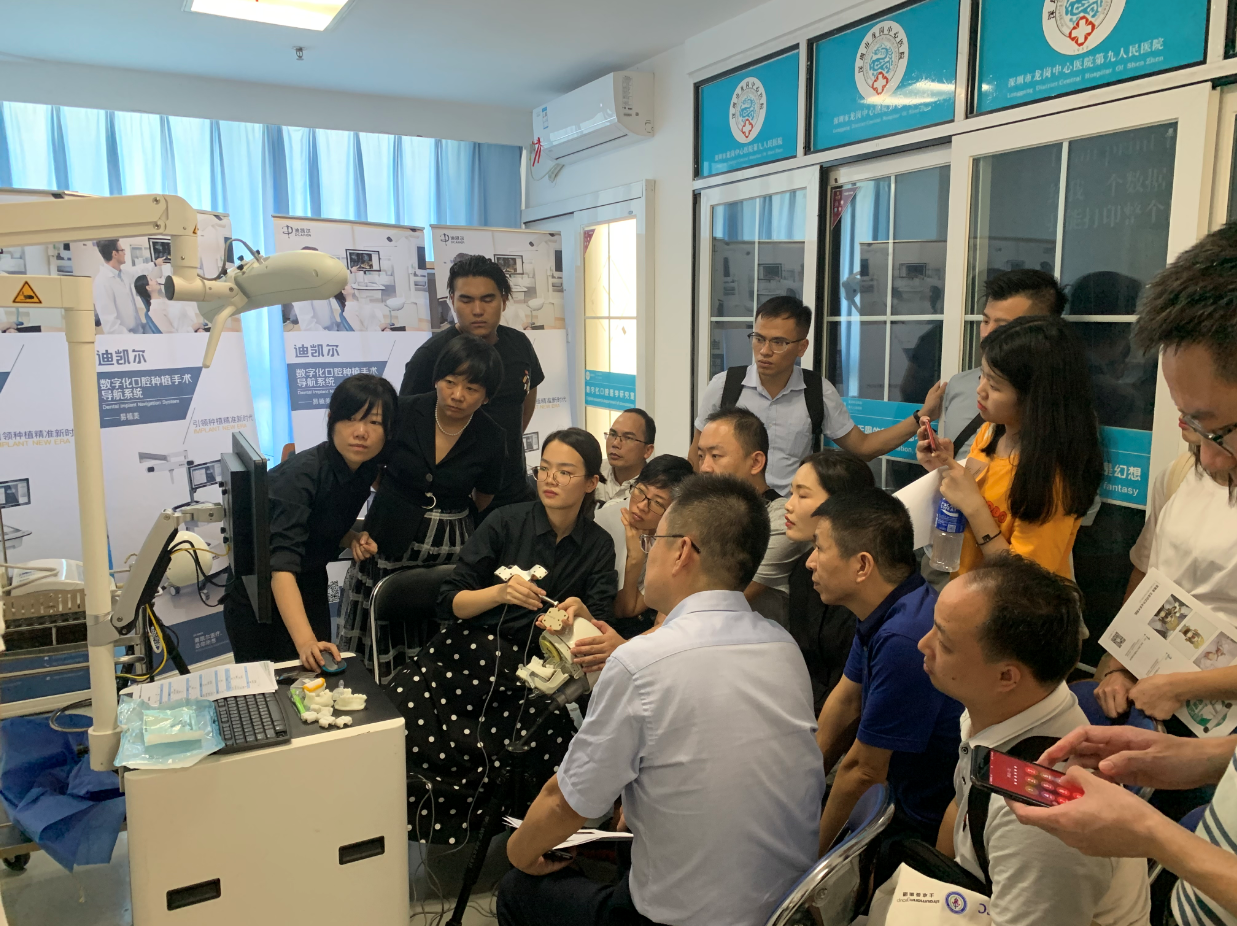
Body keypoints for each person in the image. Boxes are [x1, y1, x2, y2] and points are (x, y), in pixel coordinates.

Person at [1009, 223, 1237, 926]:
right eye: (1188, 426)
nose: (1207, 457)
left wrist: (1150, 835)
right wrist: (1192, 761)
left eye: (1216, 429)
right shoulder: (1189, 474)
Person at [497, 475, 824, 926]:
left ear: (682, 551)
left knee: (518, 889)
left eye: (654, 541)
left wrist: (519, 853)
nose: (649, 552)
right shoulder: (782, 646)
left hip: (687, 919)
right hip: (785, 908)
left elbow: (565, 802)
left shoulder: (641, 663)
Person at [391, 428, 617, 845]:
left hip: (535, 677)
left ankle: (518, 844)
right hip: (463, 659)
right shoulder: (505, 521)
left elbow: (599, 627)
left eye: (565, 472)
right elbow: (449, 601)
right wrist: (498, 593)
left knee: (544, 737)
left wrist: (581, 614)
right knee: (398, 720)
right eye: (544, 469)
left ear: (590, 483)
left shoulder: (598, 545)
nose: (550, 479)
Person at [910, 555, 1151, 926]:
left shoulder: (1040, 821)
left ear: (1007, 677)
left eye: (944, 642)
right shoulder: (1002, 709)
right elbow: (961, 807)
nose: (923, 644)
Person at [335, 335, 508, 680]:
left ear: (487, 396)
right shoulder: (402, 411)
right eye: (450, 382)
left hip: (451, 546)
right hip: (387, 534)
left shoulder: (492, 436)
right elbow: (373, 467)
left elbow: (485, 496)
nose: (457, 395)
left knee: (438, 618)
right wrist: (400, 499)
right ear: (437, 379)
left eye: (472, 388)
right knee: (382, 616)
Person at [810, 488, 962, 854]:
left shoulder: (906, 639)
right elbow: (845, 703)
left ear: (862, 565)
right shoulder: (891, 604)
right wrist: (799, 794)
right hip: (892, 793)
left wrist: (809, 862)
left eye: (819, 548)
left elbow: (864, 771)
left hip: (918, 822)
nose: (810, 562)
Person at [221, 374, 395, 669]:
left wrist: (351, 537)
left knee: (317, 676)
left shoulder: (365, 468)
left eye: (374, 422)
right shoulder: (299, 478)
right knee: (277, 685)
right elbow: (281, 567)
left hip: (310, 582)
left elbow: (321, 522)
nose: (361, 432)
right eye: (350, 419)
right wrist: (305, 643)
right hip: (262, 596)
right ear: (331, 420)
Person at [690, 295, 944, 495]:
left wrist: (921, 416)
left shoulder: (817, 392)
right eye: (758, 338)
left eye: (778, 342)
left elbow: (863, 448)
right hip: (729, 507)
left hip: (787, 516)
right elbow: (696, 456)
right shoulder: (725, 386)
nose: (764, 351)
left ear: (802, 347)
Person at [916, 315, 1104, 578]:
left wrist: (975, 508)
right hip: (971, 589)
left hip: (1011, 601)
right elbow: (971, 490)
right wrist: (945, 468)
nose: (980, 390)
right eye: (982, 376)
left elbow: (1027, 579)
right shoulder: (991, 432)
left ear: (1035, 399)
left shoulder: (1051, 478)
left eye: (994, 385)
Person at [400, 254, 543, 513]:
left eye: (487, 299)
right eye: (466, 300)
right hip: (452, 501)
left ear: (504, 301)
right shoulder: (431, 355)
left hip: (514, 489)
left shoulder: (519, 344)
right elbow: (405, 426)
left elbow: (526, 399)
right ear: (452, 300)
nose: (477, 310)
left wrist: (501, 446)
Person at [783, 449, 876, 715]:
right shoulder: (803, 570)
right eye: (791, 493)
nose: (789, 505)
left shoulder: (868, 581)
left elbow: (853, 696)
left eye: (802, 495)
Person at [938, 270, 1068, 457]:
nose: (987, 334)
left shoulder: (1060, 403)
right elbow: (970, 467)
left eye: (1003, 326)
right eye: (985, 321)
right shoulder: (959, 385)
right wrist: (942, 465)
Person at [696, 407, 805, 627]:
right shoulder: (700, 512)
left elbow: (722, 603)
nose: (705, 468)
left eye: (716, 456)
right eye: (701, 456)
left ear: (755, 462)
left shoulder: (781, 519)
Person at [594, 454, 694, 638]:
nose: (641, 506)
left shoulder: (675, 545)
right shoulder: (605, 519)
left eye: (657, 503)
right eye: (640, 491)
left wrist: (635, 559)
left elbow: (627, 609)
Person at [92, 239, 164, 334]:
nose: (125, 253)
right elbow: (111, 327)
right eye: (122, 250)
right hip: (127, 337)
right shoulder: (102, 282)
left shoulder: (122, 274)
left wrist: (155, 264)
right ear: (115, 254)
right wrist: (132, 339)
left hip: (138, 330)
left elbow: (138, 270)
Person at [595, 408, 655, 507]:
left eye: (628, 438)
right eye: (612, 434)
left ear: (648, 450)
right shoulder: (594, 471)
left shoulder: (654, 490)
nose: (615, 443)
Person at [133, 273, 203, 333]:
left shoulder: (163, 300)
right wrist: (194, 327)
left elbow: (183, 318)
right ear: (148, 287)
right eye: (151, 280)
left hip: (196, 331)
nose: (155, 280)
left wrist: (197, 329)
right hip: (188, 338)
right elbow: (172, 336)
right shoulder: (154, 310)